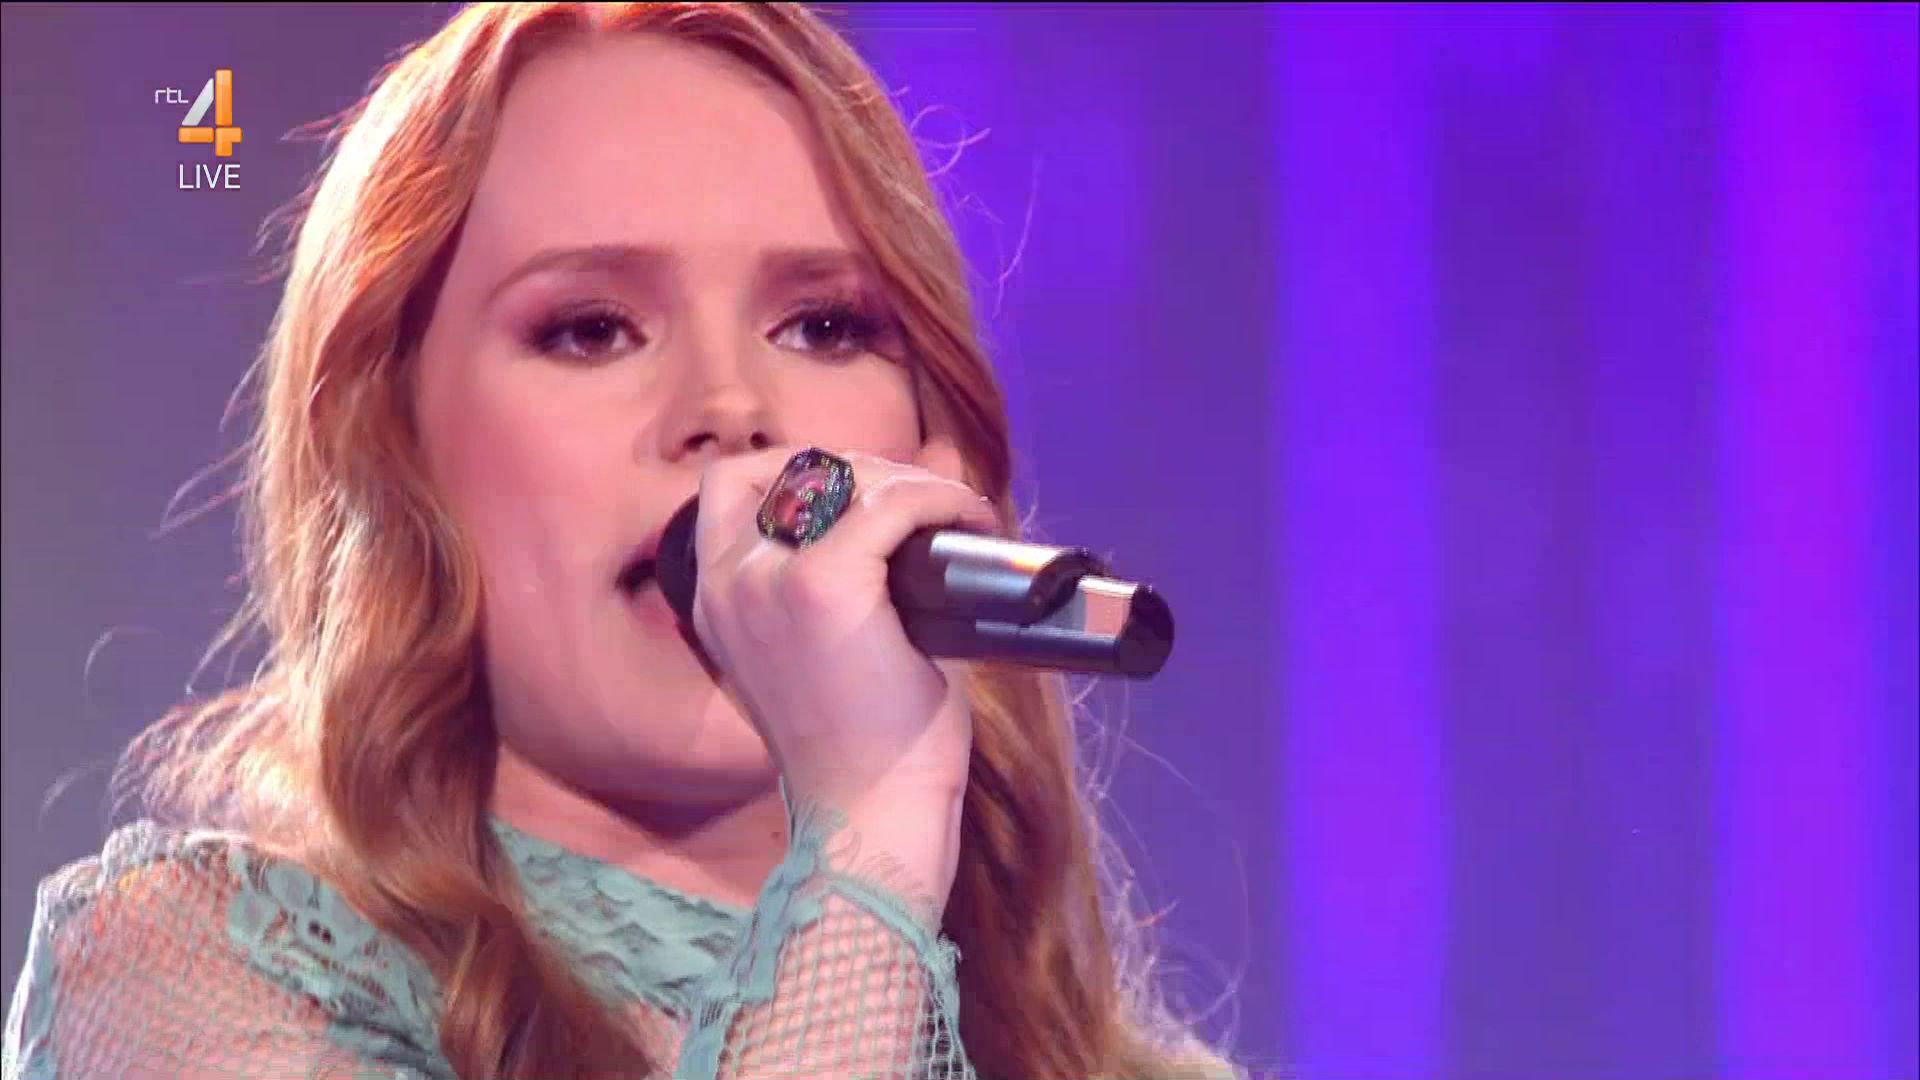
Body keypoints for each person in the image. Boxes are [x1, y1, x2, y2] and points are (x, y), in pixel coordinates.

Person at [3, 4, 1241, 1078]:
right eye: (591, 329)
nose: (733, 409)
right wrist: (867, 836)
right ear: (393, 454)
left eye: (823, 326)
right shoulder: (192, 981)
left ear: (937, 453)